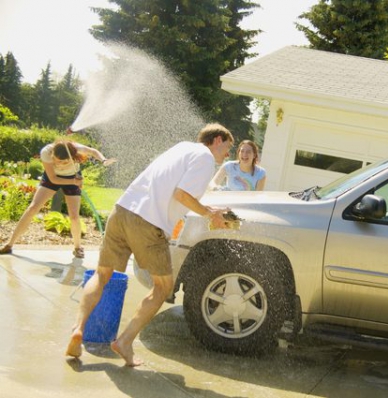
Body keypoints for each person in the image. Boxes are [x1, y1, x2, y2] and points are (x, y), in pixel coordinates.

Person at [66, 123, 234, 367]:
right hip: (147, 222)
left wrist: (201, 211)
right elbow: (182, 195)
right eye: (227, 149)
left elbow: (171, 191)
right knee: (163, 287)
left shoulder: (181, 147)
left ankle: (78, 328)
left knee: (102, 275)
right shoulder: (205, 157)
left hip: (122, 210)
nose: (226, 156)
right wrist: (211, 215)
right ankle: (124, 341)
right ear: (217, 140)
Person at [0, 138, 115, 258]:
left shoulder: (75, 148)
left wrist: (104, 160)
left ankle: (78, 247)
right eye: (57, 161)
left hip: (73, 177)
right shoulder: (46, 152)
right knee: (33, 208)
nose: (60, 164)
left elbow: (92, 151)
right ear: (52, 155)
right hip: (53, 178)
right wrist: (74, 182)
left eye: (65, 162)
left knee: (74, 216)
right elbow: (54, 179)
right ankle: (9, 244)